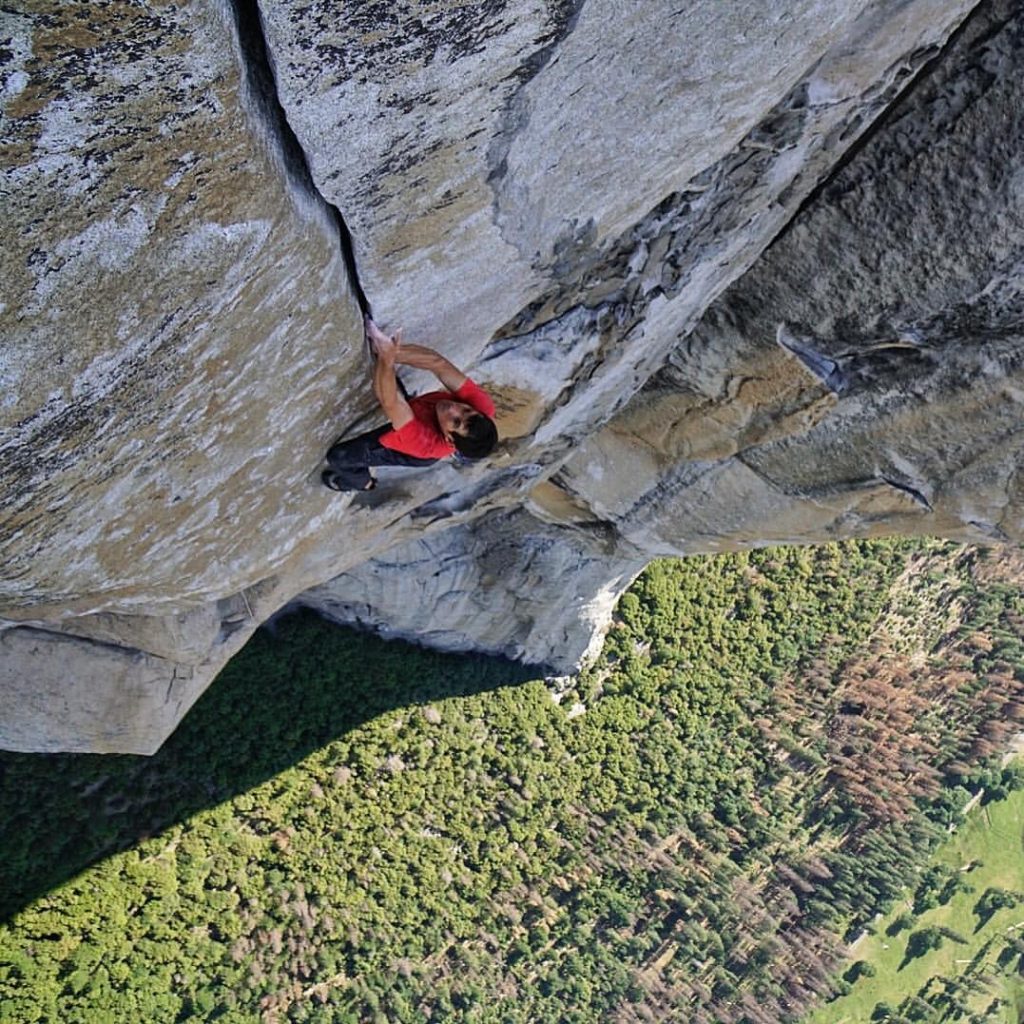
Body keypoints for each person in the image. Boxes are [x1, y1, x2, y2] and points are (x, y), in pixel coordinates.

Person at [322, 317, 498, 492]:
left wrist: (387, 359)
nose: (453, 408)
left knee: (339, 457)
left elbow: (390, 401)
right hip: (419, 418)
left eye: (456, 421)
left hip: (413, 450)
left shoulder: (424, 442)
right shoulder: (482, 407)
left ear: (449, 439)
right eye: (465, 409)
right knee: (400, 395)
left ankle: (363, 483)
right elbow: (438, 364)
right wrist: (392, 351)